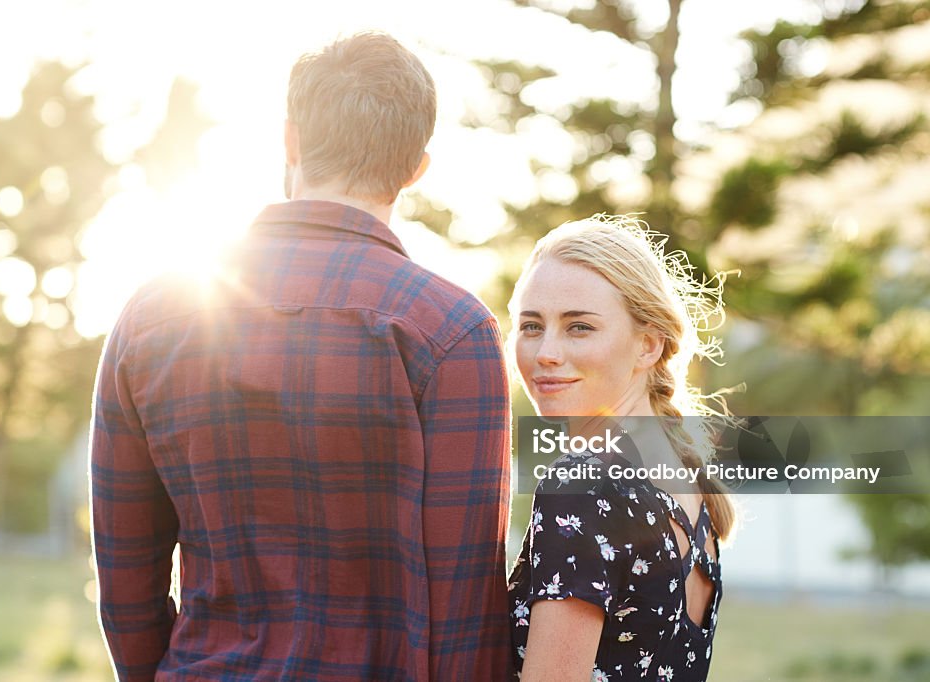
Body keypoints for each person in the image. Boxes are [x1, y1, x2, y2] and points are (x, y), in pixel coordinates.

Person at [90, 32, 513, 681]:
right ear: (416, 168)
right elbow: (463, 611)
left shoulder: (151, 317)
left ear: (289, 139)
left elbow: (126, 581)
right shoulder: (452, 331)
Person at [506, 215, 736, 681]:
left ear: (649, 344)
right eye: (531, 326)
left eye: (579, 327)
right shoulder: (683, 471)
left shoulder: (582, 485)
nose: (545, 352)